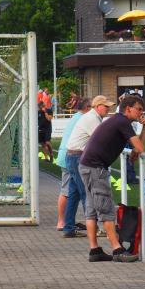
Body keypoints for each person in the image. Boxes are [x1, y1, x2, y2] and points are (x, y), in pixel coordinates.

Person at [79, 95, 145, 262]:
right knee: (106, 209)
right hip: (96, 168)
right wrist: (143, 129)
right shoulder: (122, 122)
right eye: (139, 109)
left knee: (92, 209)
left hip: (87, 165)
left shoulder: (118, 120)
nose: (141, 112)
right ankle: (117, 250)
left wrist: (144, 128)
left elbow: (137, 148)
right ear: (128, 108)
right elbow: (139, 147)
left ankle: (95, 250)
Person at [62, 95, 114, 238]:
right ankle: (95, 229)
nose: (108, 109)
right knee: (86, 193)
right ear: (97, 106)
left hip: (73, 156)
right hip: (78, 157)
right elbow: (101, 140)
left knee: (74, 194)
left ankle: (68, 228)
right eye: (106, 106)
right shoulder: (93, 119)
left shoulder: (93, 117)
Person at [55, 98, 91, 230]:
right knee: (66, 191)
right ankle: (61, 222)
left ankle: (67, 222)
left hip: (66, 154)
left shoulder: (77, 116)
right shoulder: (83, 118)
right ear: (87, 108)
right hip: (69, 156)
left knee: (72, 190)